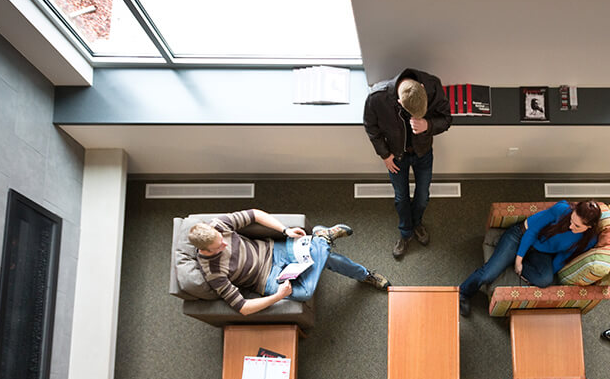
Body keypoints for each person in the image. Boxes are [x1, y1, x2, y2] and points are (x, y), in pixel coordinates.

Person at [188, 209, 390, 316]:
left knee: (325, 257)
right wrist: (278, 296)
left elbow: (255, 214)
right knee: (306, 292)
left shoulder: (218, 225)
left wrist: (284, 230)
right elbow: (243, 308)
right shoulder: (213, 272)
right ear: (205, 250)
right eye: (219, 246)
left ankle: (364, 275)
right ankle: (321, 239)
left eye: (221, 238)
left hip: (276, 250)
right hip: (266, 279)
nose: (224, 242)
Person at [363, 68, 452, 259]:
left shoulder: (433, 86)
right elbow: (371, 127)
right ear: (399, 102)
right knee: (401, 197)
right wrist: (385, 155)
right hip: (396, 156)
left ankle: (417, 223)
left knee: (422, 196)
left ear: (422, 88)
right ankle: (406, 232)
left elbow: (446, 119)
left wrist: (428, 125)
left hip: (423, 153)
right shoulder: (376, 98)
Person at [458, 199, 602, 317]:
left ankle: (506, 258)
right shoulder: (561, 209)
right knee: (488, 274)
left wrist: (550, 272)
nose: (571, 226)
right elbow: (531, 231)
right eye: (571, 220)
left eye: (576, 226)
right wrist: (518, 260)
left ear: (589, 227)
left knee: (545, 280)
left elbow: (564, 255)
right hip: (520, 236)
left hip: (541, 252)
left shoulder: (588, 240)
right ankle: (463, 293)